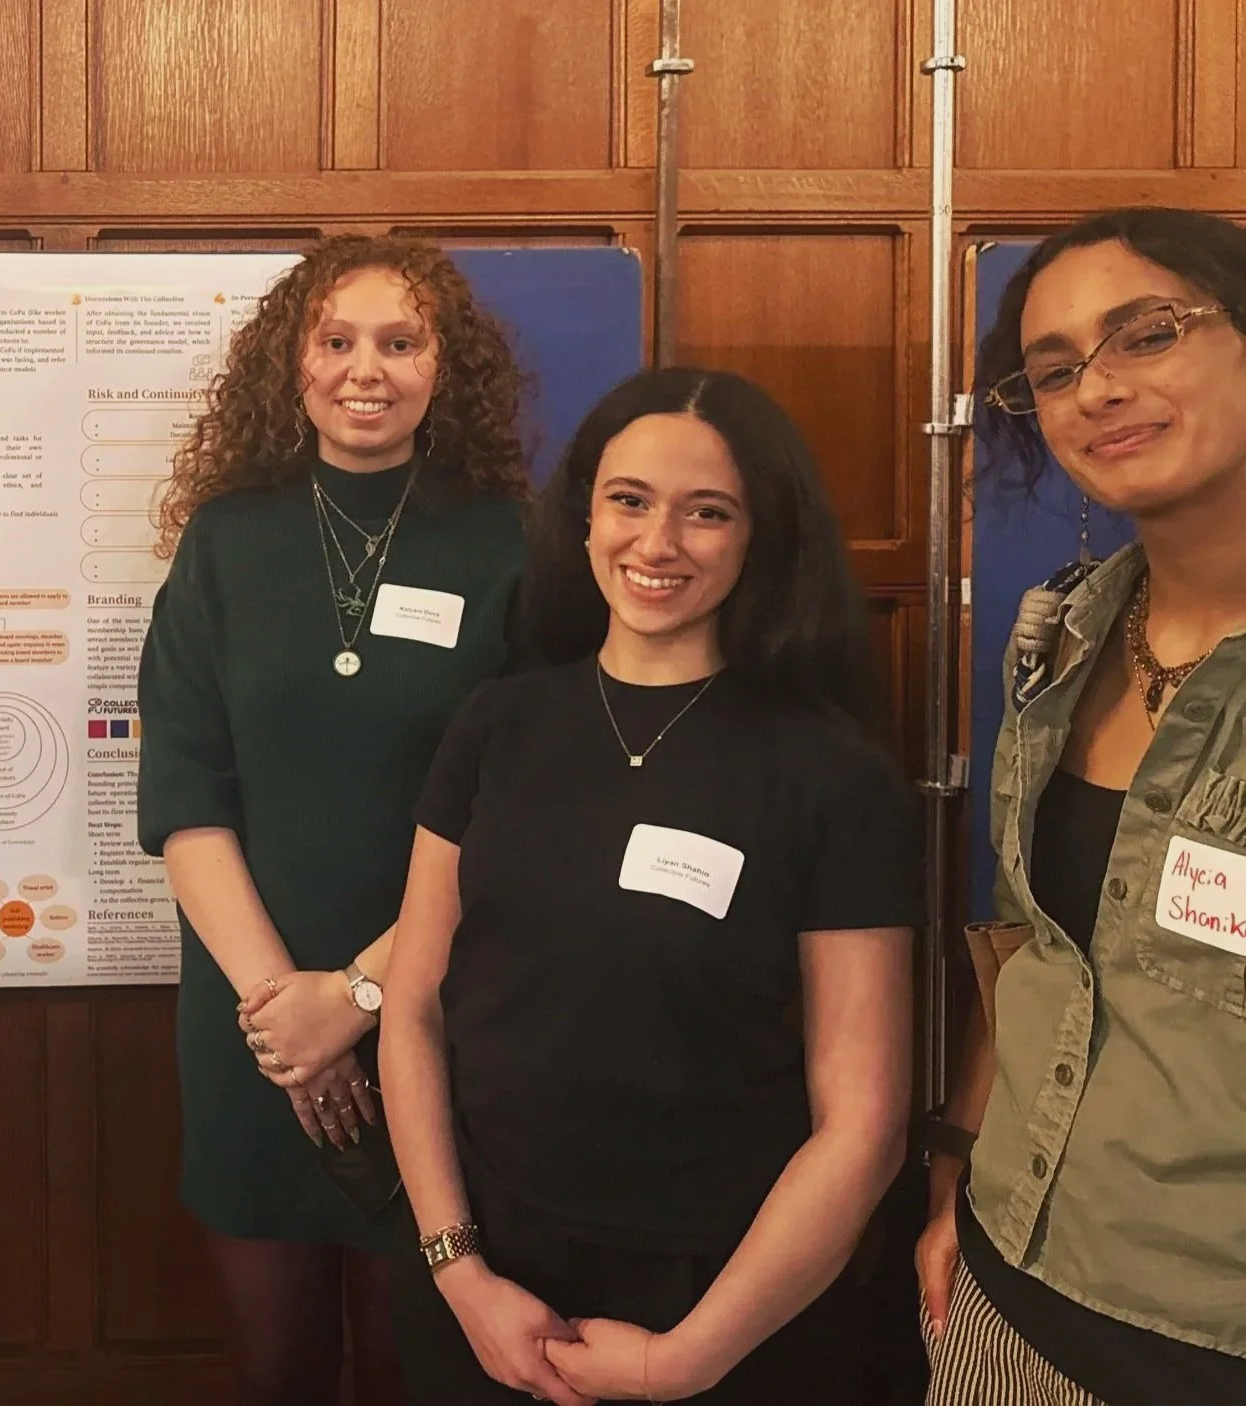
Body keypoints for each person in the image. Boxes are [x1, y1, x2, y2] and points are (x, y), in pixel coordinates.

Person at [380, 367, 918, 1404]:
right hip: (484, 1271)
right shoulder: (497, 724)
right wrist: (457, 1266)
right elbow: (411, 1007)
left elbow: (862, 1124)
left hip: (727, 1295)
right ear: (583, 512)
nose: (657, 542)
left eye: (705, 512)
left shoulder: (832, 773)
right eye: (629, 500)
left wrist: (690, 1354)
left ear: (759, 536)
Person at [137, 233, 532, 1405]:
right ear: (291, 360)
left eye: (400, 341)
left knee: (417, 1354)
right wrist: (283, 1017)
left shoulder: (511, 540)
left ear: (442, 365)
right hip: (249, 1032)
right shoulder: (224, 541)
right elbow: (186, 800)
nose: (367, 368)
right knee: (276, 1367)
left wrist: (358, 997)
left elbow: (521, 808)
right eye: (338, 339)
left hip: (441, 1004)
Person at [918, 206, 1246, 1403]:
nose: (1096, 389)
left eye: (1145, 334)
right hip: (1011, 1291)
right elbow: (1026, 946)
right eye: (1053, 371)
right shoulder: (1058, 639)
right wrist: (956, 1168)